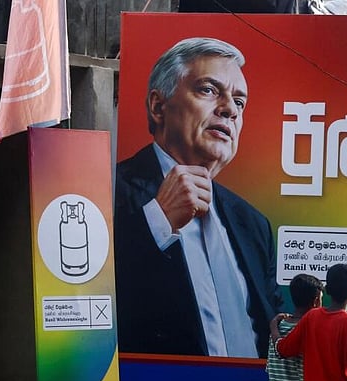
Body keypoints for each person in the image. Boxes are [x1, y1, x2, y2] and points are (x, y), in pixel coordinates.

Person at [114, 37, 282, 358]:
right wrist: (158, 222)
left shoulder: (253, 224)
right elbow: (87, 304)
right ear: (158, 106)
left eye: (239, 102)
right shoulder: (105, 191)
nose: (229, 109)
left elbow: (272, 325)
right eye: (208, 90)